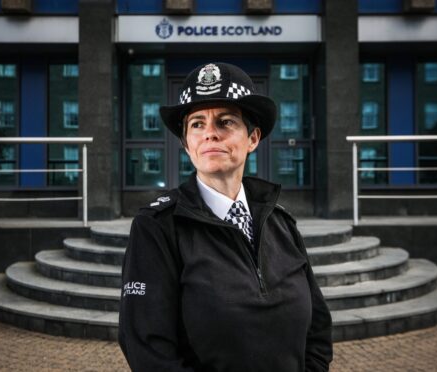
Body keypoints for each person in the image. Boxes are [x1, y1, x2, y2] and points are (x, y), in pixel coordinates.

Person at [118, 62, 332, 372]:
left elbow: (318, 330)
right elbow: (148, 350)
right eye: (197, 124)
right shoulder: (158, 227)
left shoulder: (280, 223)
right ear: (186, 144)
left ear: (253, 138)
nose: (210, 135)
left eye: (226, 122)